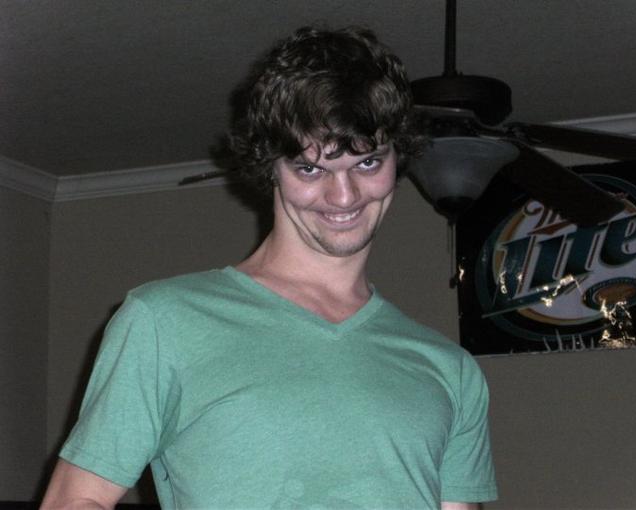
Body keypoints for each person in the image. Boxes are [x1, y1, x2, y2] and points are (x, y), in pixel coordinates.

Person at [41, 26, 497, 509]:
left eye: (367, 164)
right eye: (310, 169)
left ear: (396, 159)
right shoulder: (165, 322)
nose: (344, 196)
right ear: (270, 167)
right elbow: (75, 500)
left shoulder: (450, 370)